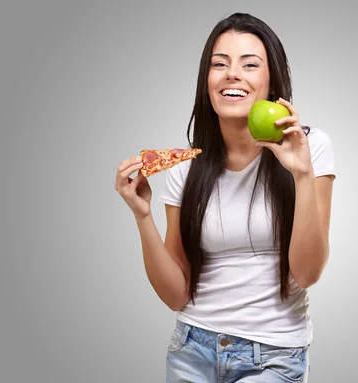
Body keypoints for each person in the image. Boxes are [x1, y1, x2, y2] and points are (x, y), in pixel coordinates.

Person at [115, 12, 335, 383]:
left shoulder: (311, 148)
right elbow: (176, 295)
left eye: (250, 64)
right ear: (207, 82)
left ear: (271, 81)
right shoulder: (186, 168)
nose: (232, 74)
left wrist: (301, 173)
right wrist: (142, 216)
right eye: (220, 64)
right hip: (191, 350)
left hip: (273, 356)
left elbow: (307, 272)